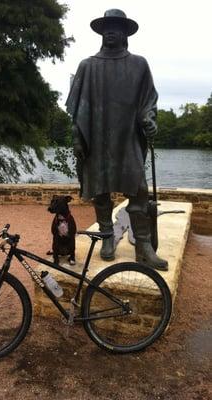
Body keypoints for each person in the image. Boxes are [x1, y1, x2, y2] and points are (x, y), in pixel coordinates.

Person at [66, 9, 168, 270]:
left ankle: (143, 245)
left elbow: (149, 101)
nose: (111, 31)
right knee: (100, 191)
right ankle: (107, 237)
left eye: (116, 27)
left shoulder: (139, 64)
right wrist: (78, 138)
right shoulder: (87, 66)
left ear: (125, 33)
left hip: (127, 137)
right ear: (101, 33)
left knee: (139, 190)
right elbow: (77, 109)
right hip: (97, 138)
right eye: (106, 27)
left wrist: (149, 119)